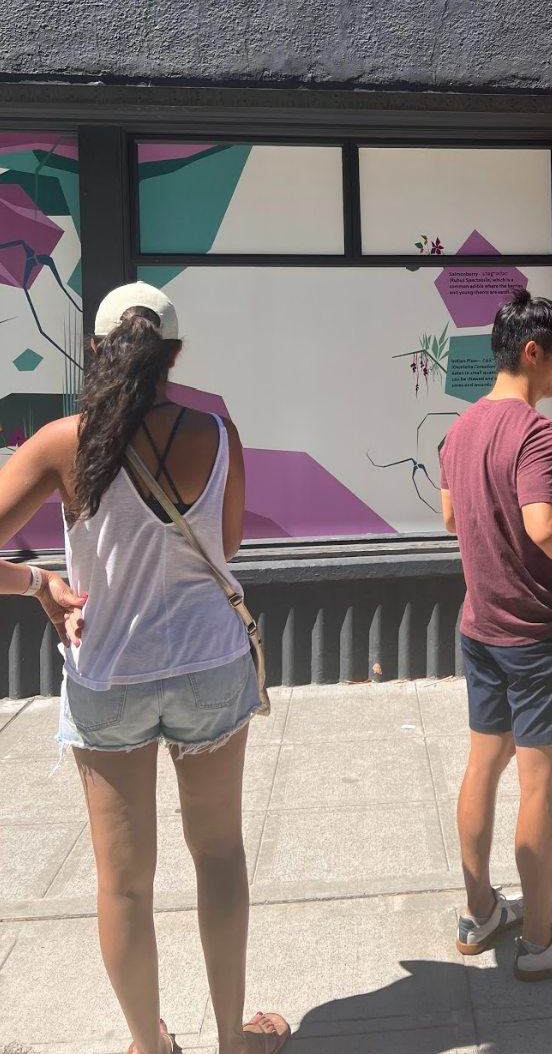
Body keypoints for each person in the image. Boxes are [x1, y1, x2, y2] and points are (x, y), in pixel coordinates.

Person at [0, 283, 288, 1054]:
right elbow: (227, 546)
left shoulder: (62, 442)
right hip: (209, 664)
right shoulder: (217, 432)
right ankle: (233, 1039)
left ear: (95, 349)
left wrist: (38, 584)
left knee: (123, 881)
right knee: (219, 855)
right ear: (175, 355)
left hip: (110, 673)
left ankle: (150, 1046)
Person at [439, 288, 552, 981]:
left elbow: (453, 518)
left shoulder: (459, 429)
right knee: (540, 787)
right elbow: (543, 525)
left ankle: (480, 910)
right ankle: (543, 941)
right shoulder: (537, 432)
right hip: (539, 634)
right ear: (532, 351)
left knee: (482, 766)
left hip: (480, 626)